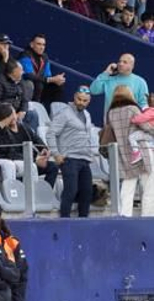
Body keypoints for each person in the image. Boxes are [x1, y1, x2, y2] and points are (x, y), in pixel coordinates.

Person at [48, 85, 98, 218]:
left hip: (84, 159)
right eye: (79, 99)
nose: (81, 102)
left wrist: (91, 154)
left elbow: (87, 136)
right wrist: (56, 154)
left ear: (89, 101)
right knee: (71, 190)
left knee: (87, 192)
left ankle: (83, 221)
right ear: (74, 97)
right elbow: (51, 133)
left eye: (84, 100)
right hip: (69, 158)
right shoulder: (64, 113)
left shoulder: (87, 114)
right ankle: (64, 220)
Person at [105, 85, 154, 217]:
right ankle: (148, 217)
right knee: (149, 186)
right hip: (141, 152)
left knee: (127, 188)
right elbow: (145, 126)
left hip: (123, 153)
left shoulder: (111, 113)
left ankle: (124, 216)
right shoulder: (132, 109)